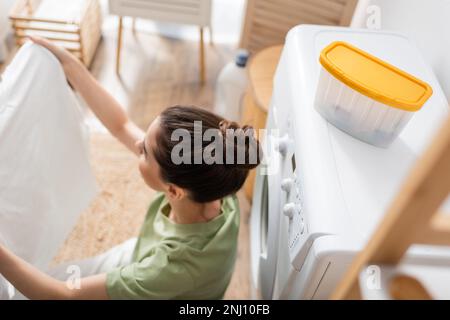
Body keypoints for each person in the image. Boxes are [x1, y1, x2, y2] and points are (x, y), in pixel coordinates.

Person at [0, 37, 262, 300]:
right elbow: (121, 124)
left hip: (160, 279)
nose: (137, 144)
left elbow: (63, 295)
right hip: (141, 253)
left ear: (173, 191)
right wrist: (69, 64)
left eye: (145, 152)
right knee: (40, 277)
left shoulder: (168, 269)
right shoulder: (219, 179)